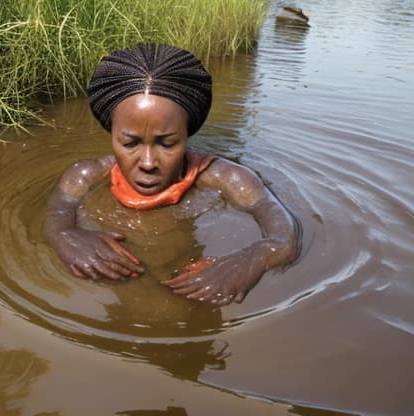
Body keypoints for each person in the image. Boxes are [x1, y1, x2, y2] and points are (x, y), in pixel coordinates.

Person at [44, 43, 301, 306]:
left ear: (187, 132)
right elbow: (56, 213)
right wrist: (63, 234)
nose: (147, 162)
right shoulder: (84, 176)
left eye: (167, 144)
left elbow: (285, 237)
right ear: (112, 133)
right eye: (130, 143)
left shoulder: (228, 178)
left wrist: (254, 258)